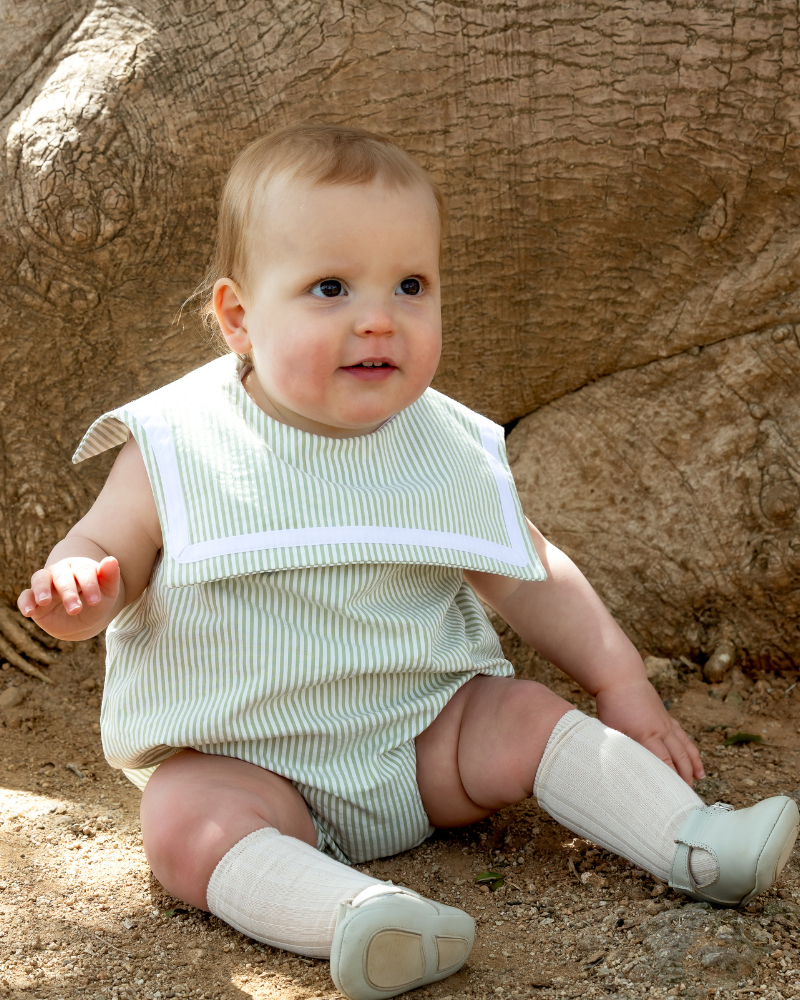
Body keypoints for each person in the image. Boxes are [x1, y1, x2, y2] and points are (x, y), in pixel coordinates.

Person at [18, 122, 798, 1000]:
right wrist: (79, 587)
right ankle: (359, 915)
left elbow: (528, 568)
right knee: (181, 824)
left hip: (424, 737)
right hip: (246, 761)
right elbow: (100, 546)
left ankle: (695, 841)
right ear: (238, 316)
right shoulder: (178, 443)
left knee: (524, 713)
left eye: (411, 285)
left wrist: (620, 682)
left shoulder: (443, 446)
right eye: (330, 287)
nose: (378, 317)